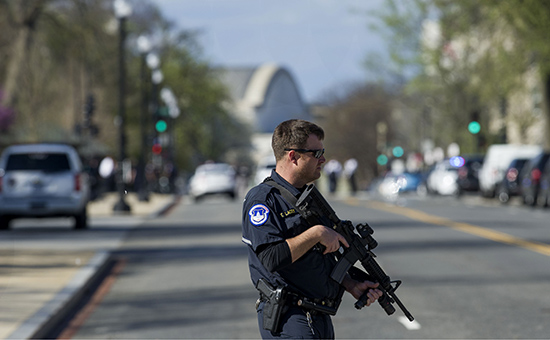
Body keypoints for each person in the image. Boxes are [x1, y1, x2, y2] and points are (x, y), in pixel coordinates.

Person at [241, 119, 382, 339]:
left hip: (318, 314)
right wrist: (316, 233)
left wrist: (350, 283)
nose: (323, 159)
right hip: (289, 317)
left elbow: (317, 259)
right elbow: (271, 257)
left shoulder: (307, 198)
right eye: (316, 153)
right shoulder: (263, 200)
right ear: (293, 156)